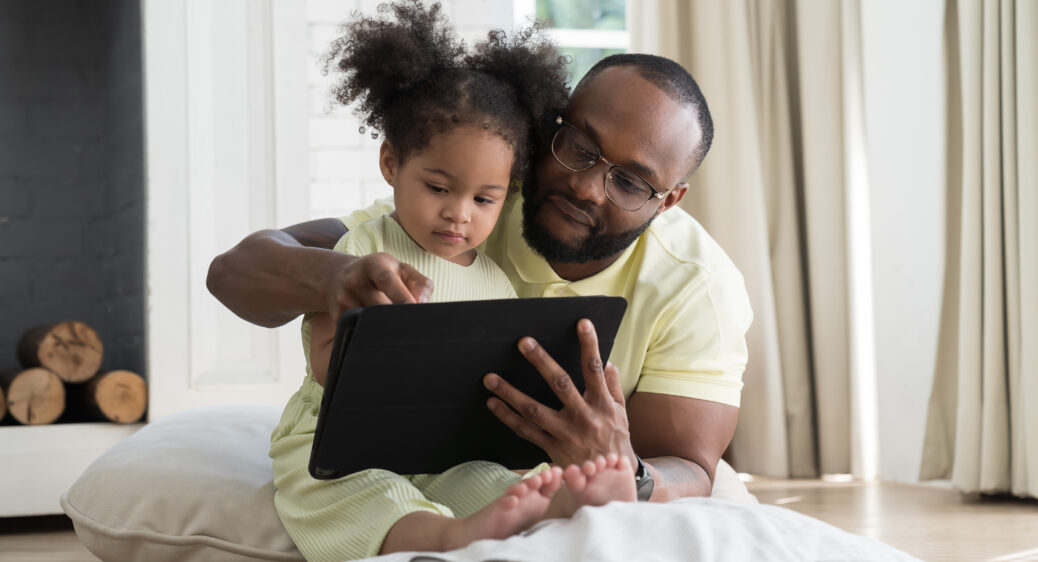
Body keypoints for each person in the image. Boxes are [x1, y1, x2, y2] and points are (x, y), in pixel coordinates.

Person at [209, 0, 753, 546]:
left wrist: (625, 471)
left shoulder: (700, 287)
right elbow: (234, 273)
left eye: (631, 181)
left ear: (670, 200)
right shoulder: (480, 200)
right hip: (370, 445)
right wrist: (332, 278)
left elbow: (692, 469)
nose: (586, 187)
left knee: (522, 490)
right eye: (579, 147)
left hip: (486, 462)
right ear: (550, 128)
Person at [262, 2, 637, 560]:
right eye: (438, 188)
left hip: (442, 447)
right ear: (391, 163)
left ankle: (558, 507)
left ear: (506, 194)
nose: (459, 214)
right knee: (363, 495)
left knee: (489, 482)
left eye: (483, 199)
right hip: (339, 442)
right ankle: (445, 538)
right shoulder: (365, 249)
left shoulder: (494, 282)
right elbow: (324, 362)